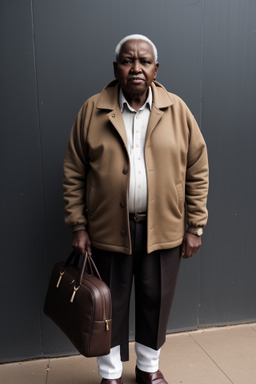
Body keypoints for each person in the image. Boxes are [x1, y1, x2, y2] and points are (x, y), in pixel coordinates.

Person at [63, 34, 209, 384]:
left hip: (164, 229)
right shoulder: (92, 110)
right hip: (108, 229)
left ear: (156, 69)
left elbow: (197, 168)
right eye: (129, 60)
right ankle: (110, 374)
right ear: (116, 68)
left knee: (155, 301)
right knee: (107, 307)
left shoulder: (177, 110)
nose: (137, 67)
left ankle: (148, 369)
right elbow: (73, 171)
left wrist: (195, 226)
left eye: (145, 61)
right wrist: (79, 225)